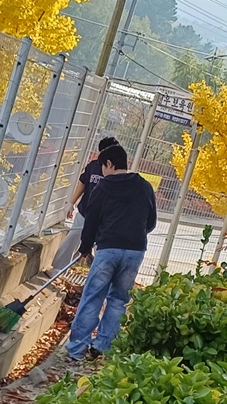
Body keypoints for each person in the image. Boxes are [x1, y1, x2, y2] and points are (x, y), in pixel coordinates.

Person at [66, 142, 157, 362]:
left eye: (102, 167)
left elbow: (91, 221)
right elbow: (152, 222)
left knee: (93, 297)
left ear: (109, 163)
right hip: (135, 251)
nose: (102, 172)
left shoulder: (104, 187)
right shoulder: (144, 186)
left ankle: (77, 349)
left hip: (108, 249)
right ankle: (103, 345)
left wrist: (85, 248)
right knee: (118, 299)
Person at [50, 136, 119, 272]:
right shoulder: (93, 166)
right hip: (85, 212)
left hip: (104, 218)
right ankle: (58, 268)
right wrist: (71, 203)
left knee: (101, 247)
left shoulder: (116, 171)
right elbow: (82, 183)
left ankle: (99, 275)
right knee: (74, 237)